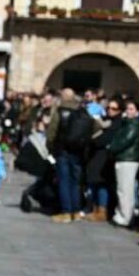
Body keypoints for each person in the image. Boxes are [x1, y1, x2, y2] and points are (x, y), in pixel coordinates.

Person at [47, 89, 91, 223]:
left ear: (63, 97)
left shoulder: (60, 111)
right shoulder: (83, 111)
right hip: (78, 151)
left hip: (63, 150)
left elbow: (52, 132)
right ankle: (76, 212)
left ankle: (66, 212)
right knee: (75, 182)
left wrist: (50, 148)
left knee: (64, 181)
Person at [108, 100, 139, 227]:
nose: (128, 111)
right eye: (127, 109)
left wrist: (111, 148)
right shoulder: (127, 123)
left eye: (132, 109)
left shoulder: (133, 124)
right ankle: (121, 214)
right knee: (121, 189)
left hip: (128, 159)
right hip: (124, 158)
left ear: (137, 112)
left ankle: (125, 217)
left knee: (125, 189)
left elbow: (124, 141)